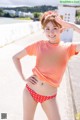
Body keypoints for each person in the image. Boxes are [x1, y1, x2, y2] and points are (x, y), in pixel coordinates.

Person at [12, 10, 80, 120]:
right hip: (30, 92)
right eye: (47, 29)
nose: (51, 32)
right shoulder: (39, 45)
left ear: (61, 29)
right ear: (44, 31)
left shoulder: (68, 48)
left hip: (49, 97)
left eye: (55, 28)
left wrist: (71, 25)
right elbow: (15, 57)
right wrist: (23, 77)